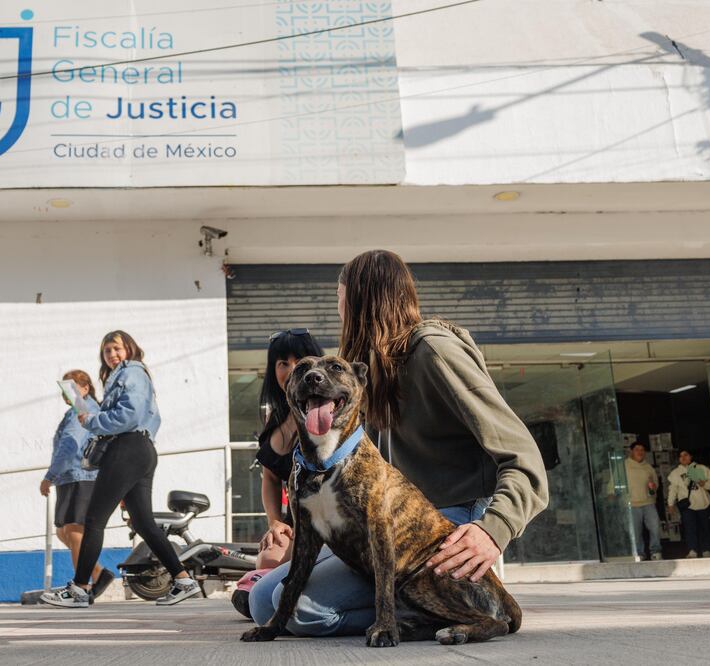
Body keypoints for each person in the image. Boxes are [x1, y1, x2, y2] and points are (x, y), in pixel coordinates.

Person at [249, 249, 549, 636]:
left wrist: (493, 528)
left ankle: (426, 619)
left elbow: (522, 455)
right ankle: (411, 611)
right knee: (263, 601)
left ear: (357, 299)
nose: (337, 309)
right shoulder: (367, 369)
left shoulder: (435, 351)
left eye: (339, 296)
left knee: (306, 613)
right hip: (388, 523)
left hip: (447, 521)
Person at [41, 330, 201, 608]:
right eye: (106, 351)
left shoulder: (132, 373)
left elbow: (129, 415)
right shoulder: (126, 376)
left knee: (93, 519)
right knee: (142, 522)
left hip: (127, 449)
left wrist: (93, 420)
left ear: (129, 348)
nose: (112, 354)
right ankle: (183, 580)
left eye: (116, 348)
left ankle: (79, 590)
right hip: (140, 449)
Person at [233, 329, 326, 618]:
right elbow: (271, 477)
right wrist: (275, 522)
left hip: (326, 521)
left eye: (300, 360)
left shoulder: (325, 412)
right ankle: (266, 591)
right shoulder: (275, 417)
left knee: (278, 565)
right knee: (268, 556)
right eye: (282, 363)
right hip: (293, 519)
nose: (291, 368)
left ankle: (273, 595)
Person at [39, 370, 115, 600]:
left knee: (73, 532)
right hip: (74, 476)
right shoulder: (79, 410)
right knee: (64, 531)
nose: (66, 394)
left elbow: (69, 445)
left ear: (84, 388)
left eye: (70, 389)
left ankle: (82, 586)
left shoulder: (81, 411)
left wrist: (50, 476)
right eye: (63, 389)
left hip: (79, 476)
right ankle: (98, 573)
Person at [666, 449, 710, 558]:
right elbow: (673, 489)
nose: (683, 457)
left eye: (686, 455)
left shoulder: (702, 468)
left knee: (704, 528)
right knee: (689, 528)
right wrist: (670, 504)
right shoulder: (675, 473)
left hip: (703, 503)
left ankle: (706, 550)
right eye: (680, 456)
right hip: (687, 505)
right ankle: (692, 550)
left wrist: (704, 483)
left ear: (691, 456)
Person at [625, 441, 663, 561]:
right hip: (632, 503)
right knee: (636, 532)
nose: (640, 452)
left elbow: (655, 484)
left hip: (649, 503)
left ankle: (655, 551)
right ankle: (639, 553)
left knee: (655, 528)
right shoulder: (624, 465)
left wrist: (653, 487)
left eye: (642, 450)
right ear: (631, 452)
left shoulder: (648, 467)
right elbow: (615, 482)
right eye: (637, 449)